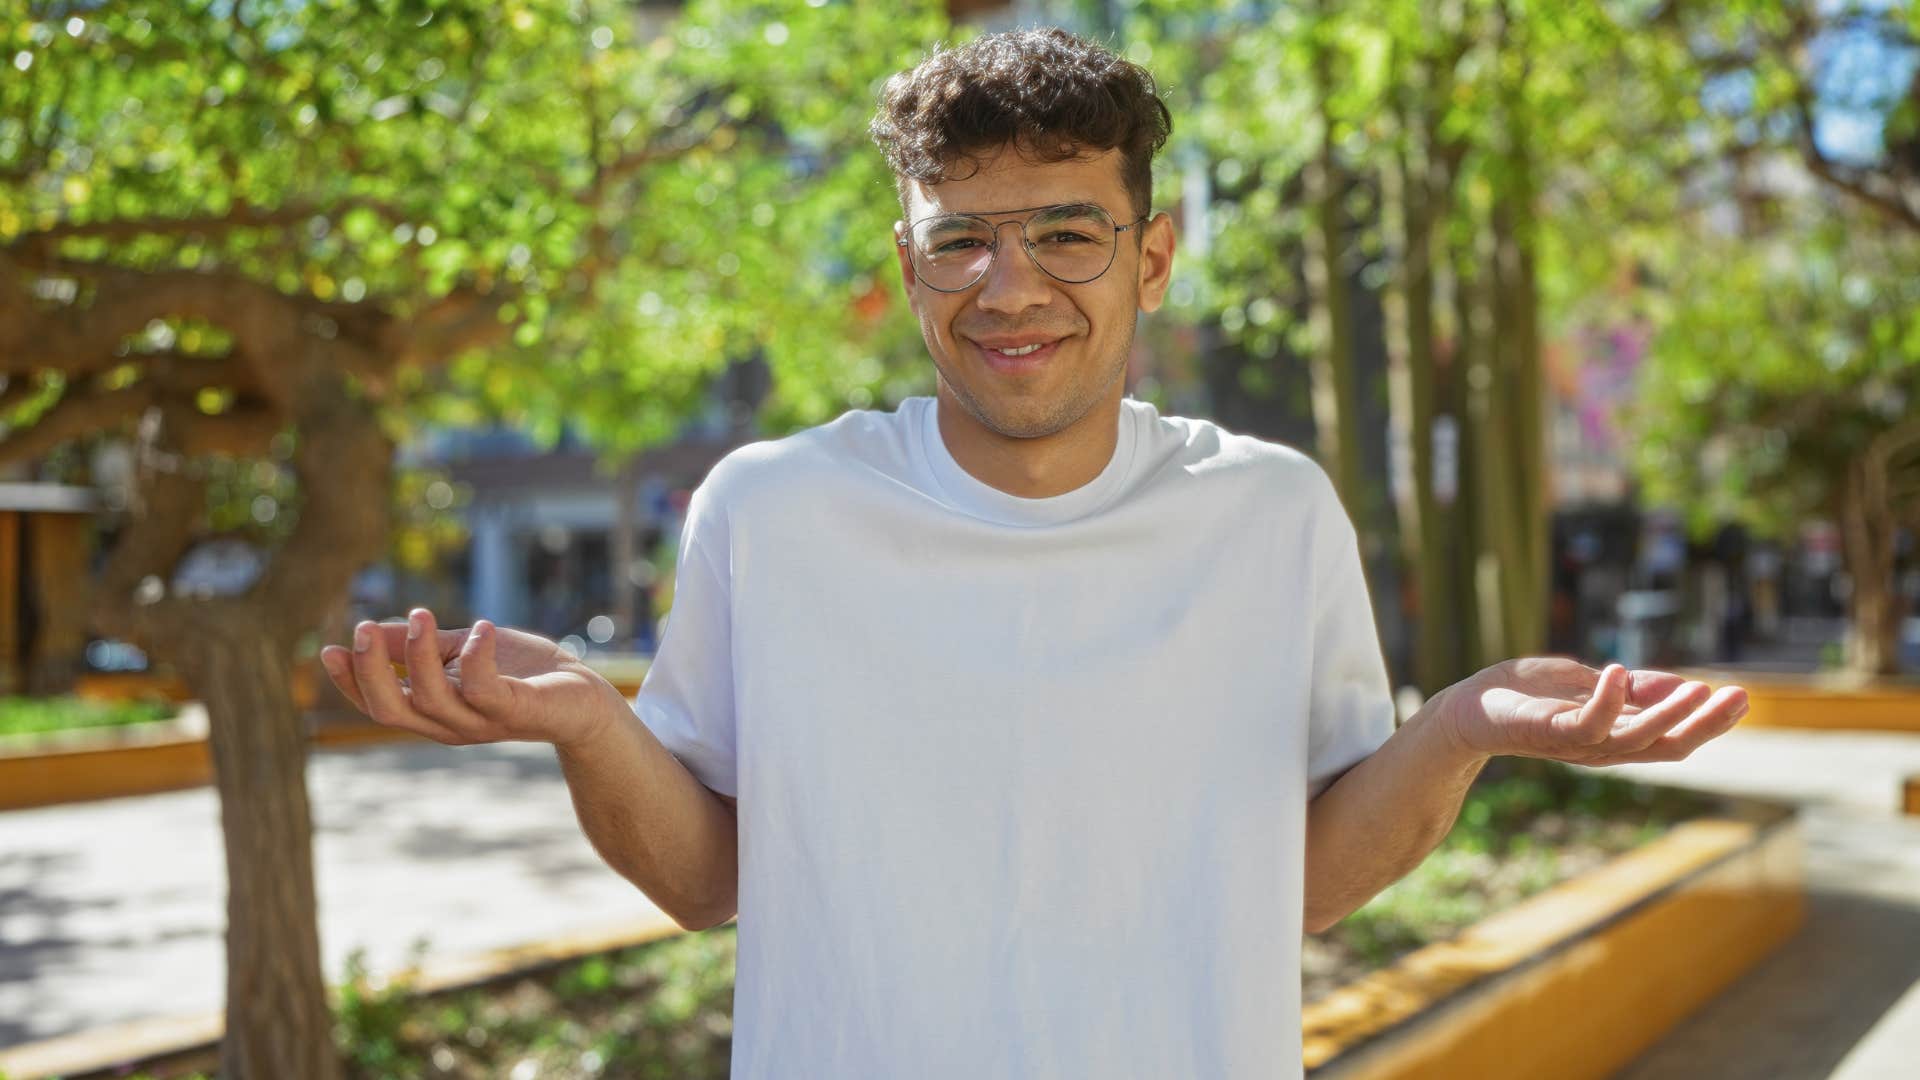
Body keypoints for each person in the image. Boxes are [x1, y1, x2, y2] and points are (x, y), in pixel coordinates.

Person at [320, 28, 1750, 1079]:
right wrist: (582, 722)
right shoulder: (770, 508)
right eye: (964, 243)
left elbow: (1300, 884)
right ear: (908, 268)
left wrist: (1458, 728)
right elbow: (707, 881)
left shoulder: (1273, 510)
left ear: (1153, 255)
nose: (1012, 290)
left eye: (1068, 233)